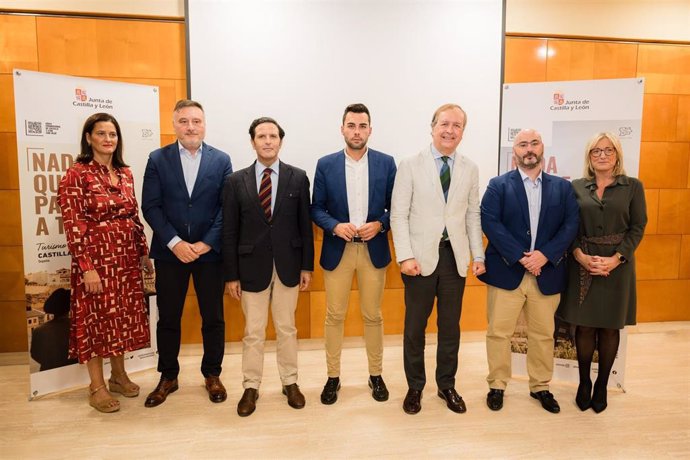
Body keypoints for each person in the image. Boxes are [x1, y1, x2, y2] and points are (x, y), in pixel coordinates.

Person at [390, 103, 485, 415]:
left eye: (457, 125)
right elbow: (399, 216)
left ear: (462, 132)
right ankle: (415, 387)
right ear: (432, 128)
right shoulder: (410, 164)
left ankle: (446, 385)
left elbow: (472, 216)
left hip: (454, 259)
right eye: (445, 124)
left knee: (450, 328)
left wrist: (478, 255)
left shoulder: (470, 168)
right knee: (415, 328)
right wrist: (404, 256)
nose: (450, 130)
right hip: (418, 260)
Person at [479, 129, 579, 414]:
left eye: (534, 143)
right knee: (499, 332)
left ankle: (540, 386)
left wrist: (544, 255)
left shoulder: (562, 187)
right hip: (506, 272)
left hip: (546, 274)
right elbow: (490, 222)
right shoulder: (498, 185)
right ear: (515, 152)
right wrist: (521, 257)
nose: (529, 149)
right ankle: (497, 384)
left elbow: (570, 225)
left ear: (542, 148)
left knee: (543, 334)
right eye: (522, 144)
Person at [58, 113, 152, 413]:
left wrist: (143, 252)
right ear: (89, 138)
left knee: (120, 318)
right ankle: (96, 386)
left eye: (112, 134)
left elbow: (134, 216)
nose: (108, 139)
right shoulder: (76, 174)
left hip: (124, 259)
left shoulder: (125, 173)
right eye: (101, 133)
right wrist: (86, 267)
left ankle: (119, 375)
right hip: (95, 260)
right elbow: (73, 224)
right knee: (96, 321)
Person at [141, 100, 232, 407]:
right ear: (174, 124)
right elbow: (150, 206)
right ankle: (168, 376)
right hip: (171, 254)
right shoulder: (157, 158)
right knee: (168, 318)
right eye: (184, 121)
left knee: (213, 318)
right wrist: (175, 242)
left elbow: (226, 208)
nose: (190, 126)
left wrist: (207, 243)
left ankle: (212, 374)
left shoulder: (221, 160)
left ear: (204, 124)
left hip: (209, 254)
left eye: (196, 121)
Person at [223, 117, 314, 417]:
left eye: (272, 136)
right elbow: (230, 232)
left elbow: (304, 226)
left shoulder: (298, 177)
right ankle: (251, 386)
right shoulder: (236, 181)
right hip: (250, 268)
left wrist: (306, 267)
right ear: (252, 142)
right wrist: (231, 274)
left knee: (287, 328)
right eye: (261, 136)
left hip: (288, 266)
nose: (267, 141)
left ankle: (290, 382)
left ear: (280, 141)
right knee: (253, 331)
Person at [311, 103, 397, 405]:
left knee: (373, 315)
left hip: (373, 250)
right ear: (342, 129)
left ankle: (376, 375)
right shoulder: (325, 164)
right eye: (351, 125)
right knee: (334, 315)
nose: (357, 131)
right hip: (339, 250)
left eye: (362, 126)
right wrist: (335, 226)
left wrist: (380, 224)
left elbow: (395, 208)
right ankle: (332, 377)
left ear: (370, 130)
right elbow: (316, 208)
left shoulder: (387, 163)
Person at [557, 132, 647, 413]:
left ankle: (602, 385)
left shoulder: (632, 186)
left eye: (608, 150)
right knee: (583, 327)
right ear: (589, 156)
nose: (602, 155)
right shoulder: (575, 187)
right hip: (581, 264)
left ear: (617, 155)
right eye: (596, 151)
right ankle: (584, 382)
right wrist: (579, 255)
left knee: (609, 329)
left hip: (617, 268)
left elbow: (638, 227)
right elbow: (567, 226)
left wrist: (617, 259)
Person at [30, 288, 78, 371]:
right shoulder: (77, 328)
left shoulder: (39, 331)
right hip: (74, 372)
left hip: (48, 373)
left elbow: (35, 355)